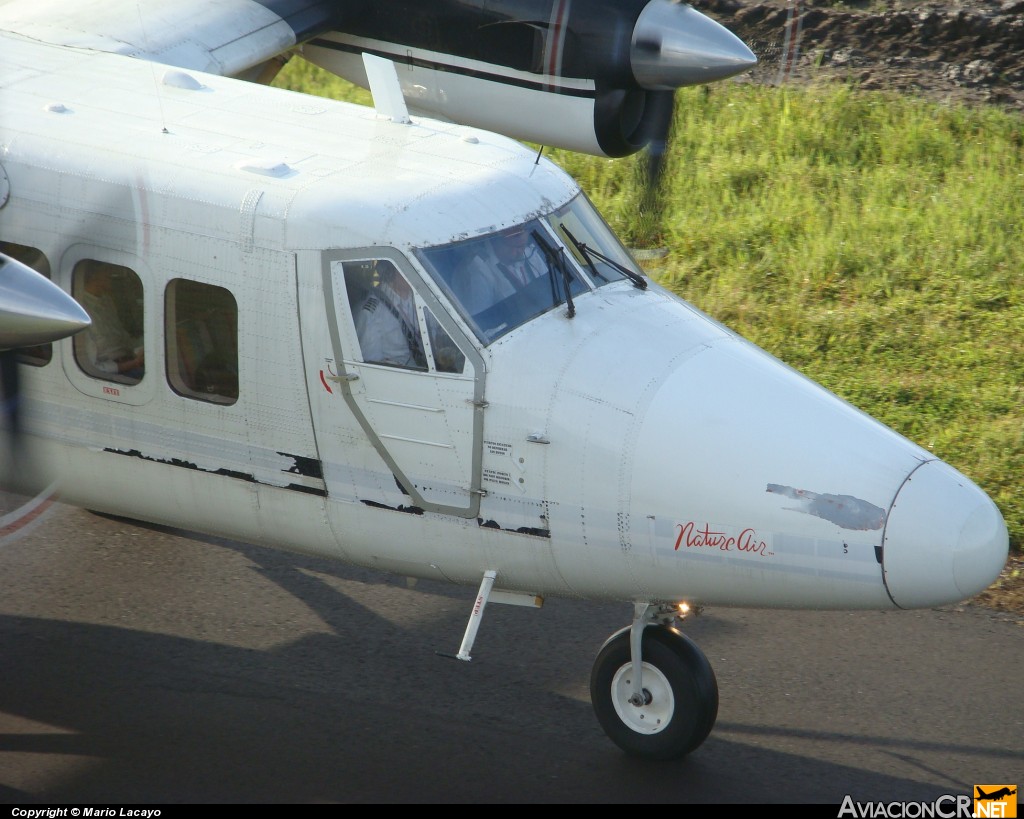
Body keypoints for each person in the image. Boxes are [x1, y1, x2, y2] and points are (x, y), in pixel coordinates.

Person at [77, 261, 145, 380]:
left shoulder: (107, 301)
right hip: (115, 372)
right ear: (95, 277)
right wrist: (134, 363)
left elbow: (122, 338)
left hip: (129, 358)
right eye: (108, 275)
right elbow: (94, 367)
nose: (113, 279)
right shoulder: (81, 311)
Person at [353, 262, 427, 369]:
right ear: (391, 273)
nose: (414, 274)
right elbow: (371, 362)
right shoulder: (372, 312)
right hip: (401, 373)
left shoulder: (419, 299)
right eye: (407, 269)